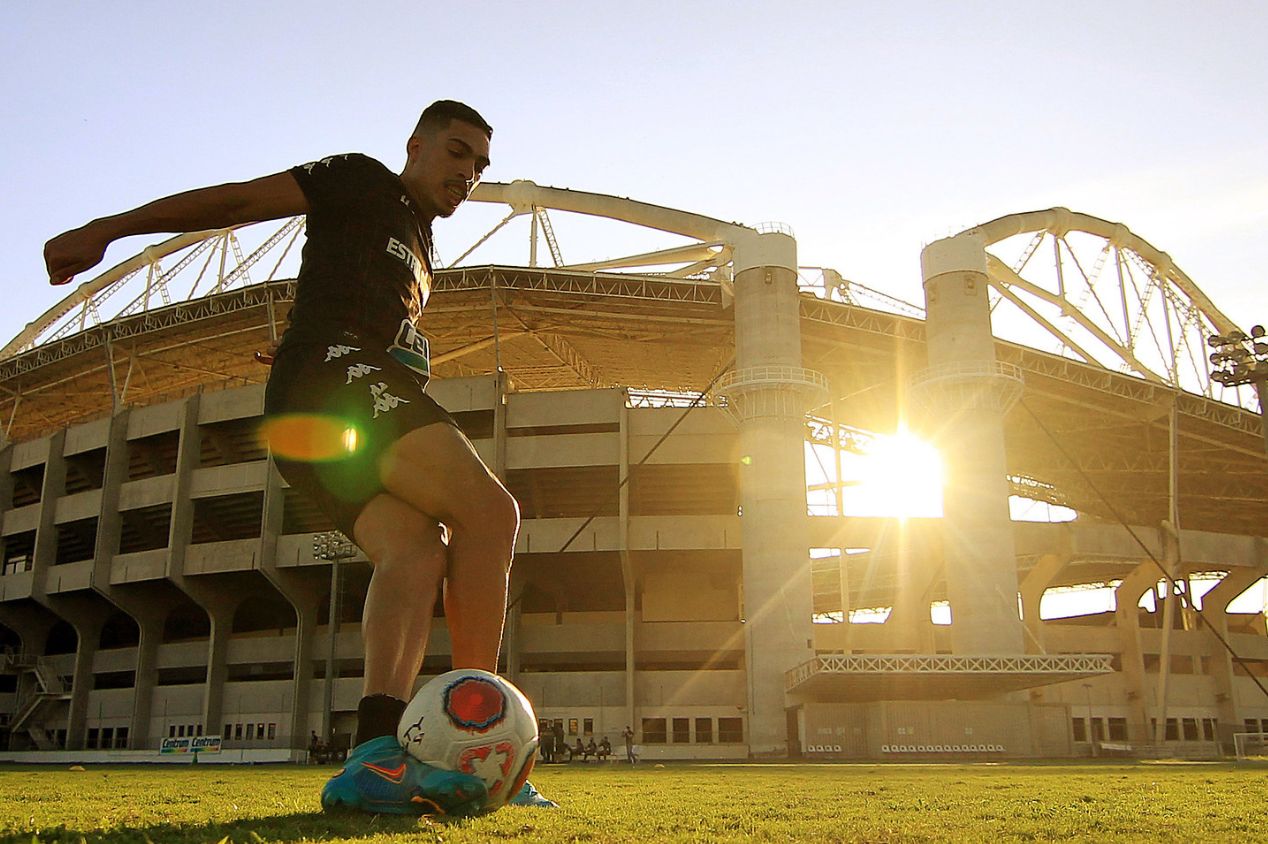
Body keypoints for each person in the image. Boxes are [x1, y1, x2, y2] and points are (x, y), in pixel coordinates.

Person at [44, 100, 553, 815]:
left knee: (414, 551)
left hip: (324, 399)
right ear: (416, 145)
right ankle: (480, 732)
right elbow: (239, 200)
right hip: (333, 380)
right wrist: (109, 230)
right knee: (491, 512)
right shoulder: (359, 180)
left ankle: (375, 756)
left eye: (479, 164)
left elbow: (348, 301)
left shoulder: (422, 250)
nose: (467, 172)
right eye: (457, 152)